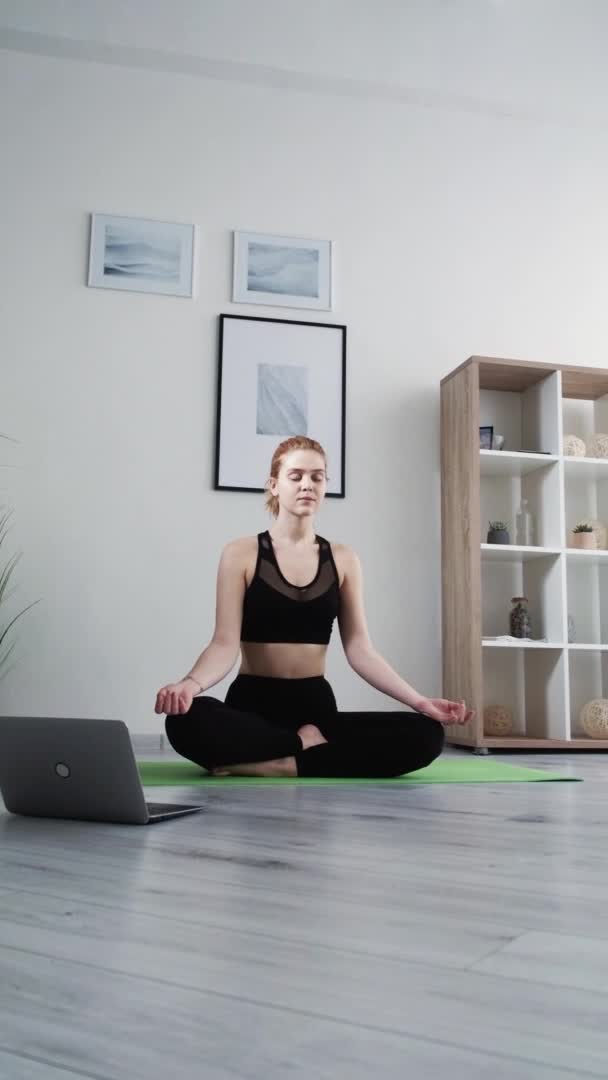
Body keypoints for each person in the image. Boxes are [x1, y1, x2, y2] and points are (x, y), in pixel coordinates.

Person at [155, 435, 473, 778]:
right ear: (274, 485)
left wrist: (420, 702)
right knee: (184, 718)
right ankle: (301, 748)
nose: (307, 484)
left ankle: (278, 761)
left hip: (315, 710)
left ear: (325, 486)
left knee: (426, 735)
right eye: (296, 476)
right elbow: (224, 643)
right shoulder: (240, 553)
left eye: (317, 477)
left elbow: (360, 649)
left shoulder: (344, 559)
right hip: (252, 705)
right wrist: (190, 684)